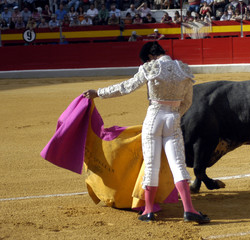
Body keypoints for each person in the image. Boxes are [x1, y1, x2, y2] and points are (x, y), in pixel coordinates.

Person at [82, 41, 211, 224]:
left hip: (154, 118)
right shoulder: (183, 69)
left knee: (152, 165)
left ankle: (149, 210)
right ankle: (189, 209)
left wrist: (99, 92)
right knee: (178, 165)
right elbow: (187, 102)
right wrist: (174, 114)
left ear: (150, 57)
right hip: (172, 120)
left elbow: (126, 87)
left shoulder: (150, 68)